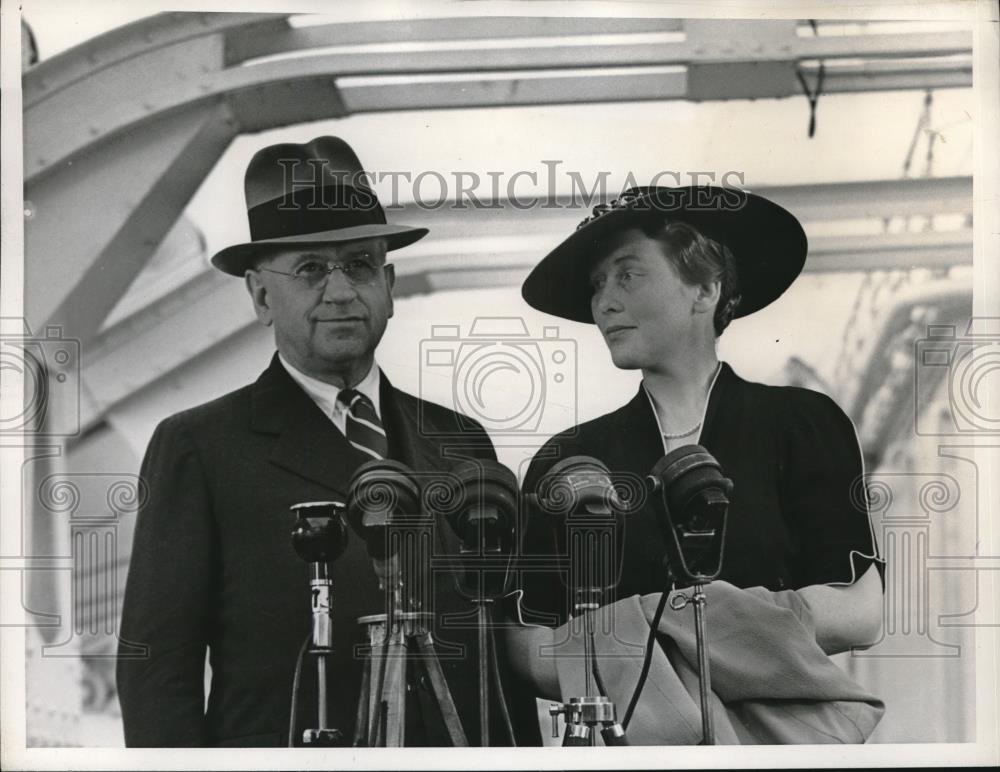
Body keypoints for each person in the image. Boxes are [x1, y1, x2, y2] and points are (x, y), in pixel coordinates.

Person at [116, 137, 511, 747]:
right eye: (310, 269)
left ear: (389, 283)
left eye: (358, 265)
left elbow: (498, 657)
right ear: (260, 296)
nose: (341, 291)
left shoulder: (461, 443)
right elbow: (156, 672)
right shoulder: (198, 447)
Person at [507, 186, 885, 726]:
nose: (604, 302)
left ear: (705, 289)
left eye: (628, 274)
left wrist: (654, 628)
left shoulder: (801, 425)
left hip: (778, 747)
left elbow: (860, 613)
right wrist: (738, 630)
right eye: (597, 284)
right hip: (626, 749)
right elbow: (525, 642)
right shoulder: (568, 459)